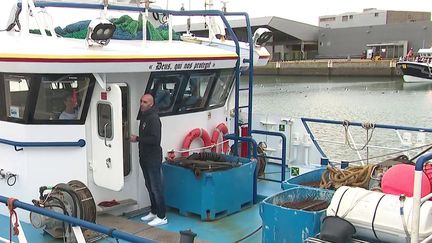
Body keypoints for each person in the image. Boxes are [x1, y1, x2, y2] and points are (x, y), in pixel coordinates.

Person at [130, 94, 167, 226]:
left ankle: (162, 216)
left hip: (153, 158)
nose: (142, 104)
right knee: (149, 185)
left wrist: (137, 139)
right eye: (141, 101)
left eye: (145, 102)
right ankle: (154, 211)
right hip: (144, 157)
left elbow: (155, 139)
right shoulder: (144, 117)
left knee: (156, 187)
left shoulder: (154, 119)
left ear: (151, 104)